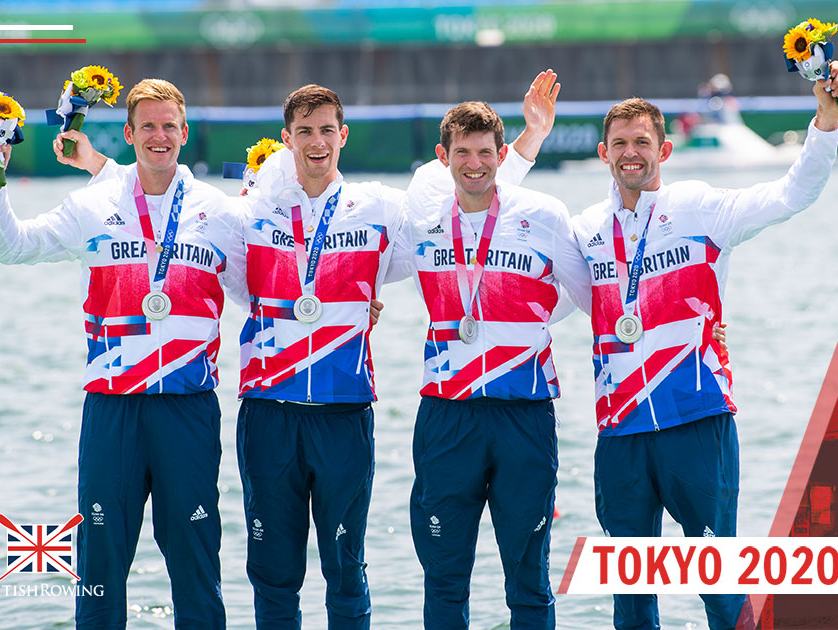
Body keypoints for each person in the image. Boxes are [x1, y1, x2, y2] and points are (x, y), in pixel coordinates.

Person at [57, 71, 562, 630]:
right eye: (304, 132)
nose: (317, 141)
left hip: (345, 416)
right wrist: (98, 167)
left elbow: (468, 199)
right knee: (273, 577)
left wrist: (529, 143)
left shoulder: (380, 207)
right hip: (269, 414)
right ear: (287, 138)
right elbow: (161, 194)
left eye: (327, 130)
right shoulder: (249, 211)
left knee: (346, 574)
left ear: (343, 136)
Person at [570, 61, 838, 630]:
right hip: (620, 434)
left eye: (643, 142)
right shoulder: (585, 232)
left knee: (720, 590)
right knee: (631, 602)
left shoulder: (700, 209)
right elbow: (532, 300)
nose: (632, 153)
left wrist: (825, 118)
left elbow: (793, 194)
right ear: (604, 153)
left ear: (665, 150)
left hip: (696, 419)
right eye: (620, 143)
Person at [0, 78, 244, 629]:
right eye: (148, 126)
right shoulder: (92, 205)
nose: (159, 136)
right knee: (99, 566)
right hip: (112, 409)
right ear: (129, 134)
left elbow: (265, 295)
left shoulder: (220, 212)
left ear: (184, 134)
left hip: (187, 408)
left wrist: (362, 306)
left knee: (196, 564)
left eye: (169, 126)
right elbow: (11, 246)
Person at [399, 101, 591, 630]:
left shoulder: (545, 214)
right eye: (462, 152)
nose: (475, 163)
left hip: (523, 413)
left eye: (486, 152)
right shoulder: (419, 219)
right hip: (446, 415)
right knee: (443, 577)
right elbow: (346, 269)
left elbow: (594, 296)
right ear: (444, 157)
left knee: (529, 578)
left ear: (502, 155)